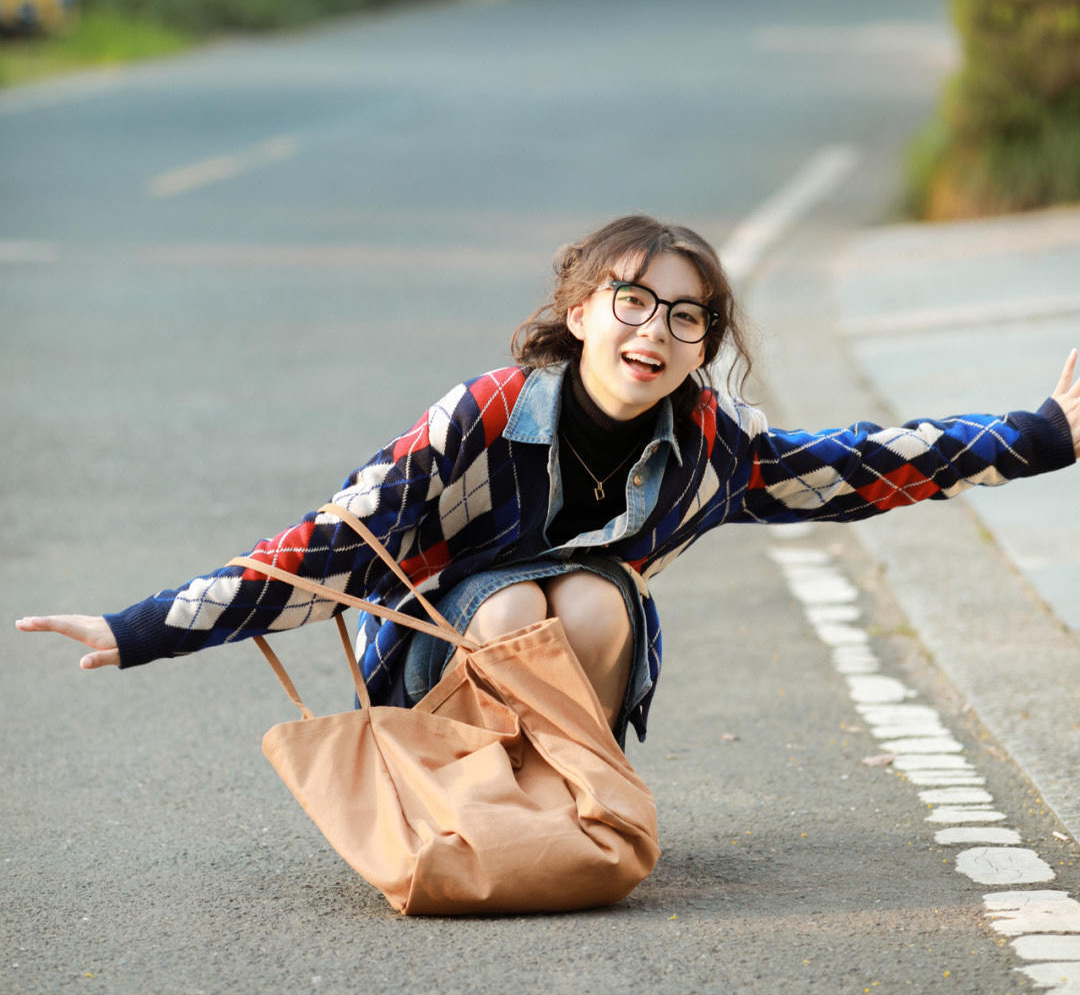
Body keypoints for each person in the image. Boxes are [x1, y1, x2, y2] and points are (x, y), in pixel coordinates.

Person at [16, 213, 1080, 747]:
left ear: (702, 345)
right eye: (631, 300)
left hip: (575, 698)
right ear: (579, 314)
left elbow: (857, 466)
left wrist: (1045, 434)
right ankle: (477, 794)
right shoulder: (477, 420)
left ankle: (570, 793)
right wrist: (139, 627)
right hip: (430, 683)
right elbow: (327, 547)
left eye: (685, 316)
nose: (653, 330)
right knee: (516, 594)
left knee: (593, 595)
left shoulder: (711, 449)